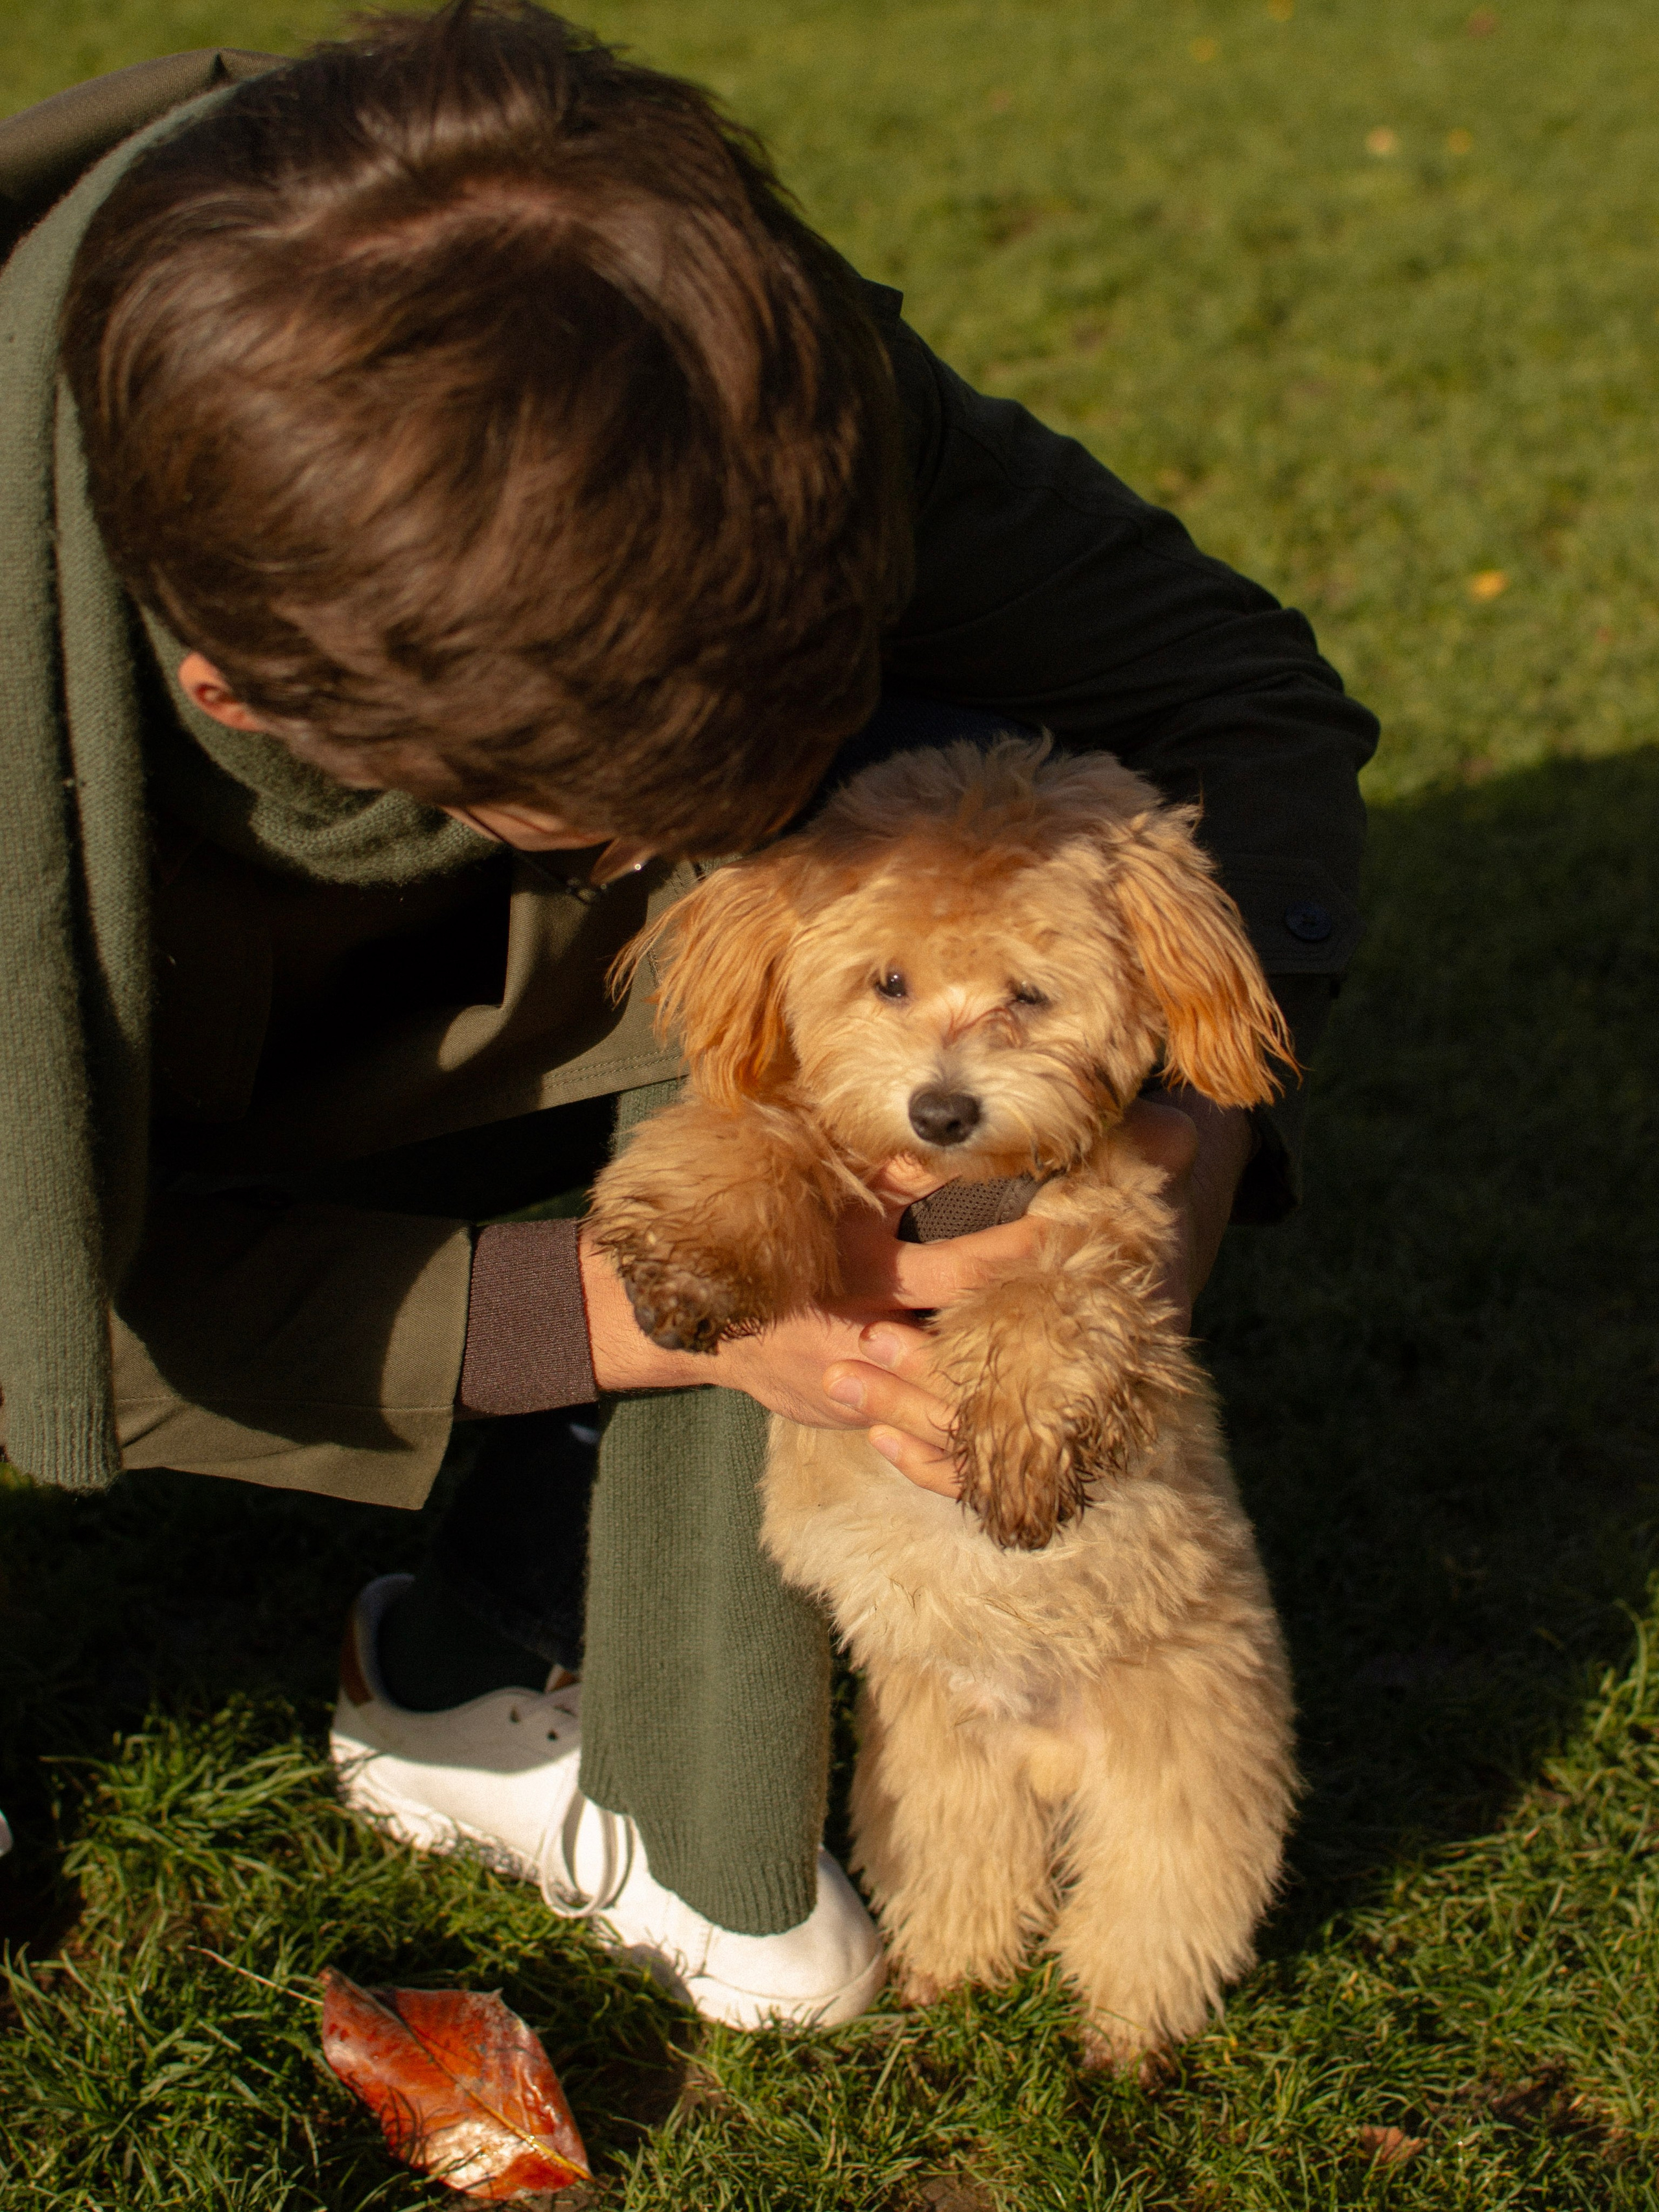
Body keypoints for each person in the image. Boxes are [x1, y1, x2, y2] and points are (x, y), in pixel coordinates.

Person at [0, 3, 1375, 2027]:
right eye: (650, 822)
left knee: (921, 774)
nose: (735, 851)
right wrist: (676, 1325)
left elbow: (1236, 693)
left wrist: (1177, 1144)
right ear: (245, 694)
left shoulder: (703, 346)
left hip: (410, 966)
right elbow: (49, 1316)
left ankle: (519, 1607)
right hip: (167, 1029)